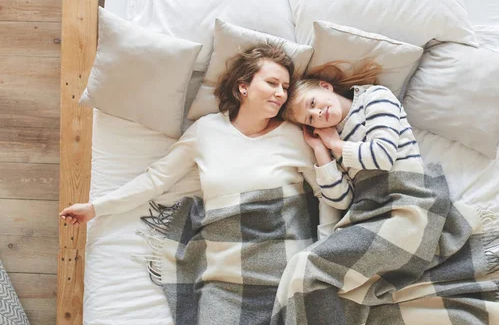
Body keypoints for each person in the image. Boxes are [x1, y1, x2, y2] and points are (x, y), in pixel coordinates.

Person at [59, 43, 340, 232]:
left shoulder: (294, 135)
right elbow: (157, 179)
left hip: (286, 257)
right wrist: (96, 208)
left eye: (285, 87)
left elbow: (325, 193)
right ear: (243, 87)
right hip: (224, 262)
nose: (281, 93)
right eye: (272, 83)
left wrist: (324, 247)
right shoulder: (207, 131)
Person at [281, 60, 423, 219]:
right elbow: (342, 201)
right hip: (368, 209)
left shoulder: (374, 96)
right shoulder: (330, 142)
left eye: (312, 103)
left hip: (406, 195)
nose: (317, 113)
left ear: (325, 87)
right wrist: (321, 152)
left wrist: (336, 144)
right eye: (311, 119)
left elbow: (383, 156)